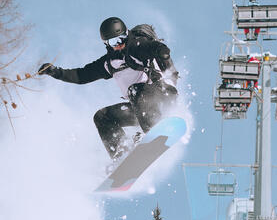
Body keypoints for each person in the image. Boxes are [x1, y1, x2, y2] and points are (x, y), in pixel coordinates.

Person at [38, 17, 179, 160]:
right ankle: (122, 154)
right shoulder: (109, 63)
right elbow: (82, 75)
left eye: (122, 38)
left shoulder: (136, 46)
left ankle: (153, 132)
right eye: (113, 42)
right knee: (102, 117)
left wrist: (162, 51)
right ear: (106, 43)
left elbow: (151, 47)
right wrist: (56, 72)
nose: (119, 44)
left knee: (135, 90)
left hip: (161, 96)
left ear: (127, 34)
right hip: (140, 108)